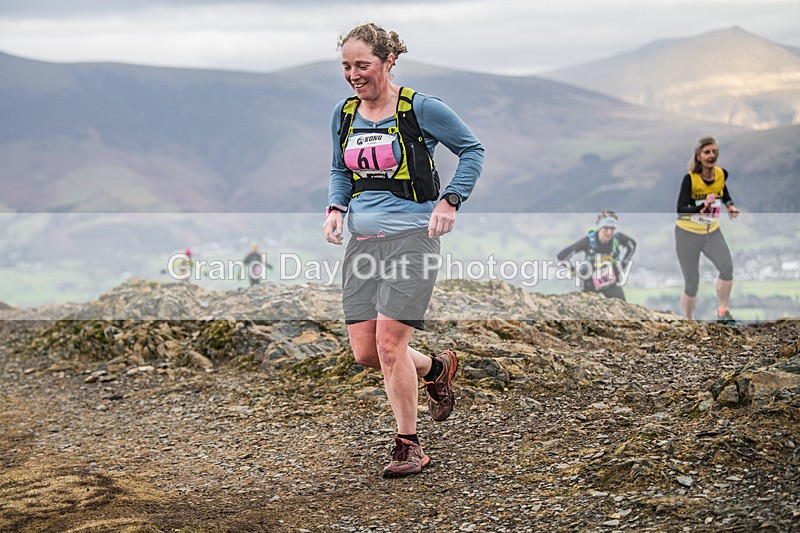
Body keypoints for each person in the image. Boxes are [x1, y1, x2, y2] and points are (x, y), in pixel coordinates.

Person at [322, 22, 484, 478]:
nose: (354, 75)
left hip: (413, 240)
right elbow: (340, 169)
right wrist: (336, 207)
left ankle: (409, 445)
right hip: (363, 242)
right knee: (366, 351)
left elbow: (472, 150)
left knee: (390, 345)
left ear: (388, 61)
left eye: (363, 65)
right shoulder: (344, 113)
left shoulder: (420, 108)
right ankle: (436, 368)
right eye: (346, 66)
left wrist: (452, 199)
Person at [675, 135, 740, 324]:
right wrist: (702, 206)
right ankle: (689, 321)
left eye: (714, 151)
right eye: (707, 152)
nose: (712, 155)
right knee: (692, 283)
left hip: (711, 231)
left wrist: (729, 205)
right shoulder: (690, 179)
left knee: (727, 267)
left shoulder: (721, 174)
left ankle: (723, 313)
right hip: (687, 234)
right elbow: (680, 210)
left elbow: (722, 190)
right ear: (699, 156)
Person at [556, 210, 637, 301]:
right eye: (606, 228)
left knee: (622, 306)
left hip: (610, 282)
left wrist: (623, 265)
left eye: (612, 228)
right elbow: (562, 256)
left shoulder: (617, 239)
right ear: (599, 228)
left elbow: (632, 245)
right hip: (590, 283)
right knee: (587, 309)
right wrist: (574, 271)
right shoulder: (588, 241)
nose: (609, 232)